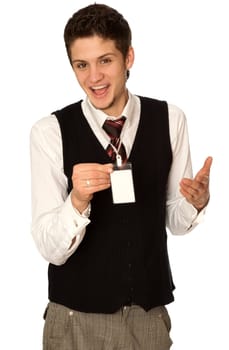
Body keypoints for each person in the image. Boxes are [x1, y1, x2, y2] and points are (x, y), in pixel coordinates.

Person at [30, 3, 213, 350]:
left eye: (105, 60)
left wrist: (195, 203)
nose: (93, 77)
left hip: (148, 318)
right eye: (81, 65)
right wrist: (77, 202)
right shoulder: (50, 132)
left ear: (128, 57)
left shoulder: (171, 119)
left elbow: (174, 220)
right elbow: (49, 248)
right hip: (74, 320)